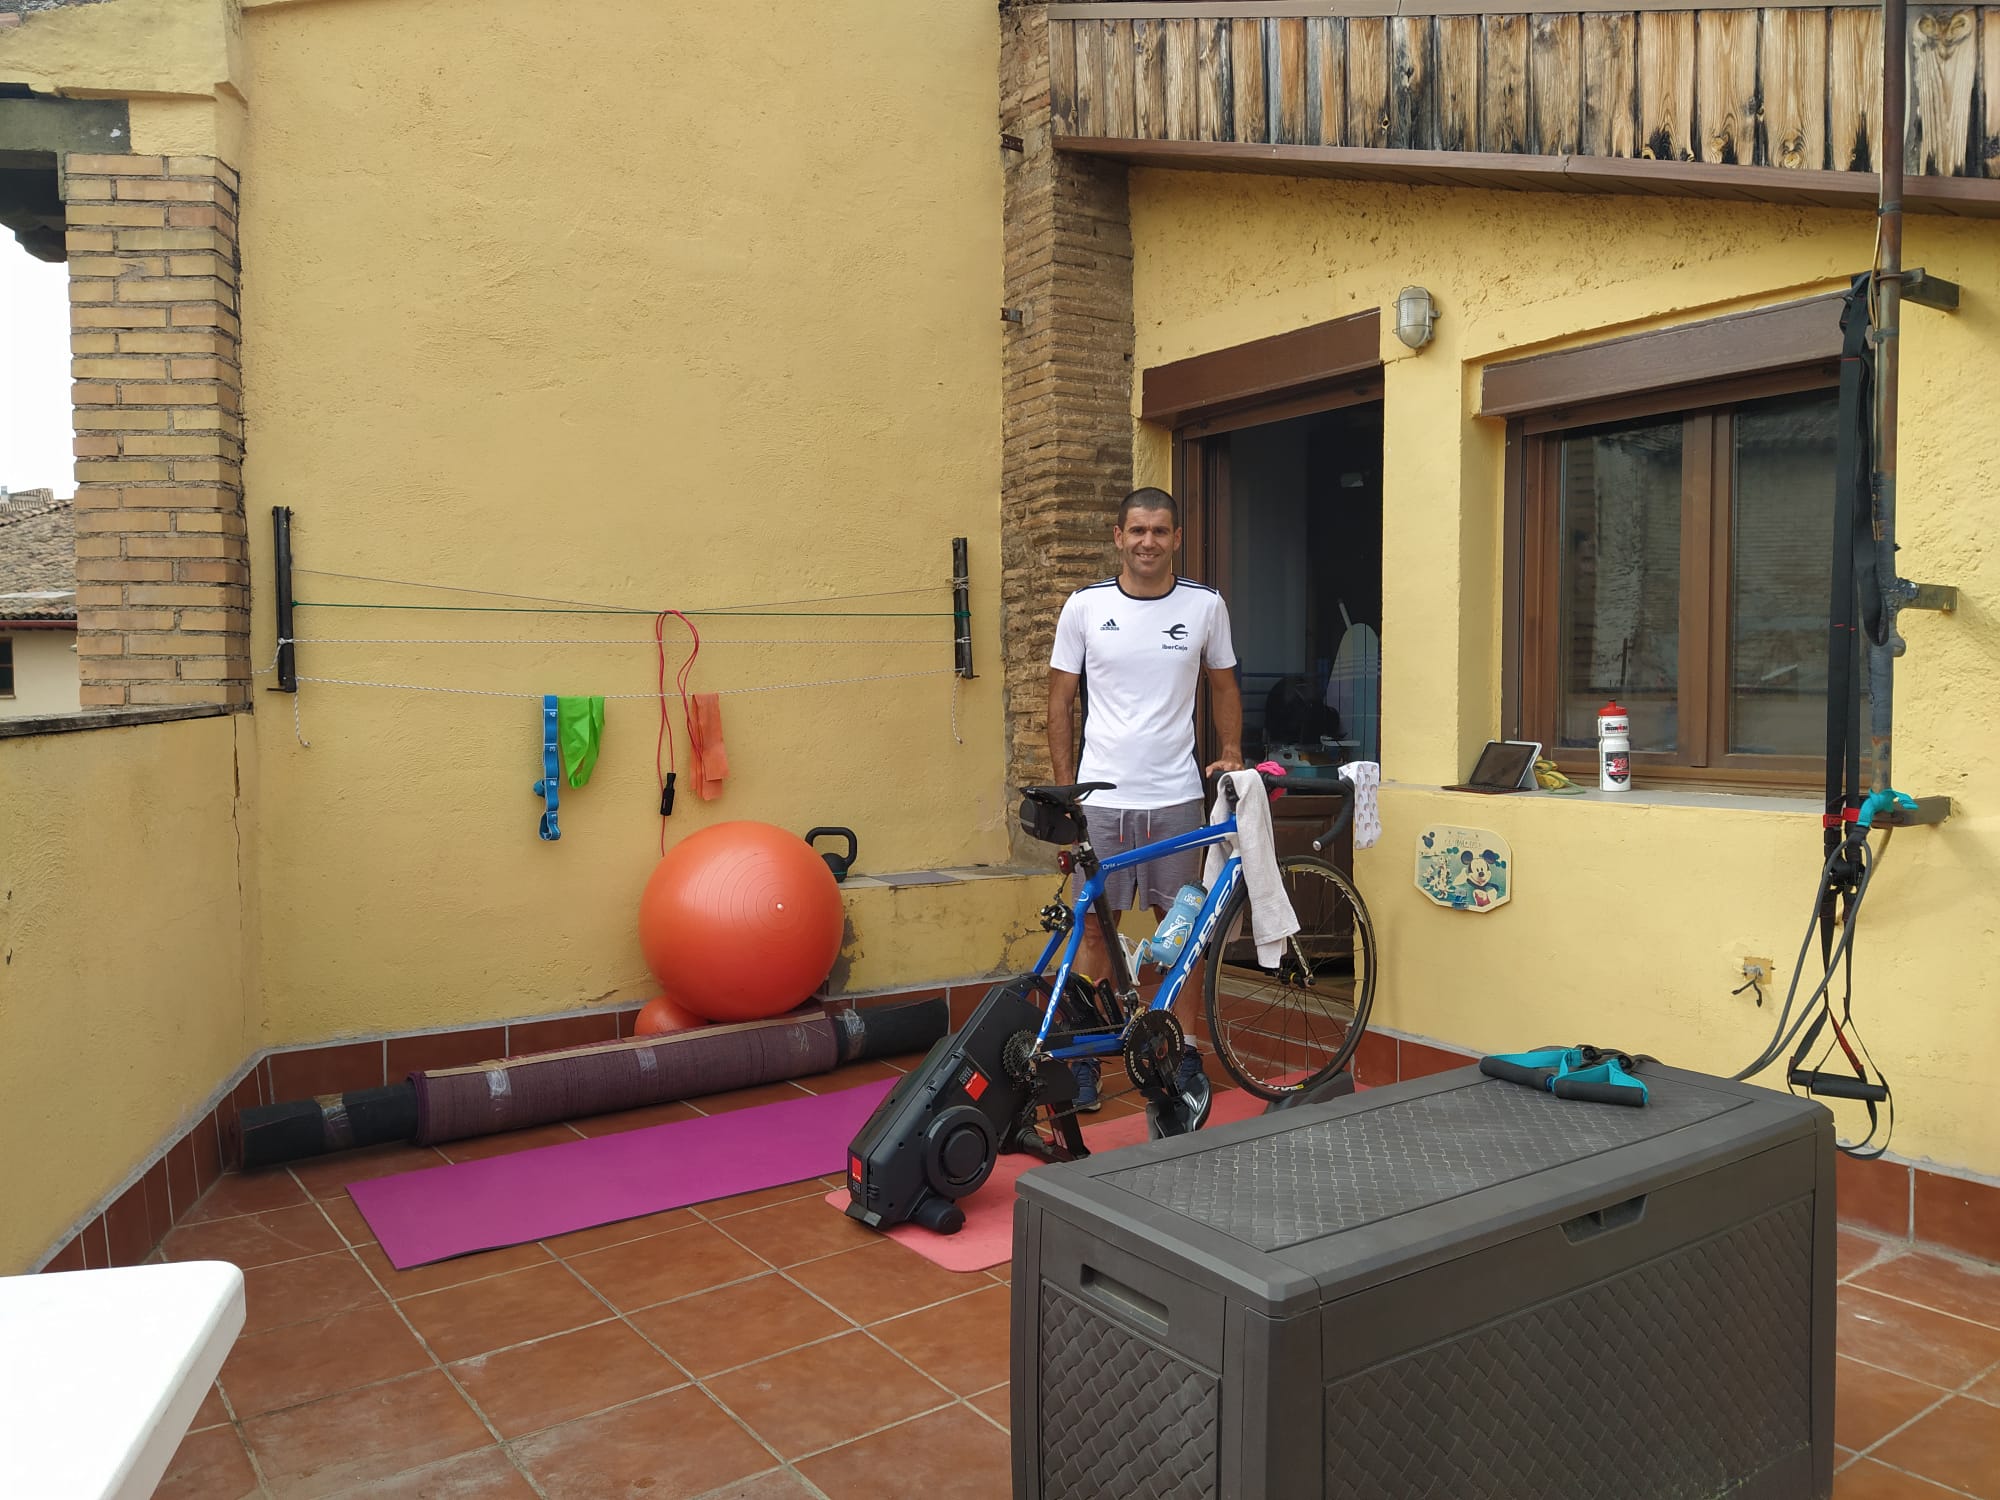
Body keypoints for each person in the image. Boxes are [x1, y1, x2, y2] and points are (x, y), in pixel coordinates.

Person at [1047, 486, 1243, 1110]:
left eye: (1160, 531)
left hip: (1175, 795)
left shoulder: (1205, 606)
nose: (1148, 542)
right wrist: (1067, 800)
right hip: (1101, 801)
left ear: (1177, 538)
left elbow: (1223, 685)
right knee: (1094, 933)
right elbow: (1058, 704)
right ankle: (1087, 1059)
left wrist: (1233, 751)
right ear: (1118, 536)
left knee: (1179, 930)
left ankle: (1184, 1054)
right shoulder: (1084, 607)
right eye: (1137, 531)